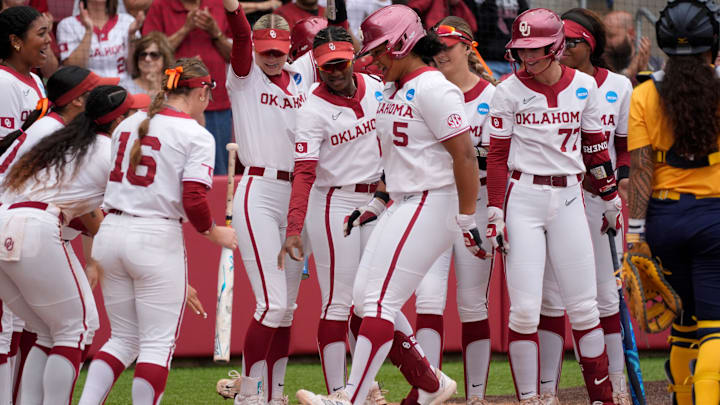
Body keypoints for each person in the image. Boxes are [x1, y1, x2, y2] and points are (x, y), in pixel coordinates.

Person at [295, 5, 486, 405]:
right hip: (403, 199)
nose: (374, 59)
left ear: (402, 43)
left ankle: (351, 397)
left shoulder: (434, 88)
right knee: (363, 300)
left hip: (433, 199)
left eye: (380, 50)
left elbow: (465, 156)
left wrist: (467, 217)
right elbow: (398, 158)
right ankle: (432, 386)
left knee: (379, 302)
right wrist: (379, 202)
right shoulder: (394, 88)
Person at [77, 58, 236, 405]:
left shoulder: (129, 122)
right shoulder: (196, 134)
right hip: (153, 235)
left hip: (111, 230)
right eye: (208, 90)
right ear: (200, 91)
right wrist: (213, 232)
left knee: (121, 338)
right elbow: (193, 199)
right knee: (155, 344)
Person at [485, 8, 623, 404]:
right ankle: (533, 399)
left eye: (538, 49)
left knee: (584, 309)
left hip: (568, 197)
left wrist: (610, 195)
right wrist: (495, 210)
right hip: (523, 197)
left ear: (558, 46)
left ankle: (604, 398)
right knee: (525, 312)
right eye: (523, 50)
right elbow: (496, 157)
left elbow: (597, 149)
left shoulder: (584, 86)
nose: (528, 58)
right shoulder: (507, 90)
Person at [267, 25, 389, 402]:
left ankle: (364, 385)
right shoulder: (312, 109)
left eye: (339, 64)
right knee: (338, 300)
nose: (334, 72)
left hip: (379, 200)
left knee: (375, 299)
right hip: (335, 201)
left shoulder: (378, 88)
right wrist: (293, 228)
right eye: (326, 67)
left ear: (352, 59)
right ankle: (340, 392)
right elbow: (303, 173)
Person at [0, 83, 135, 405]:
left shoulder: (70, 143)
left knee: (46, 331)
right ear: (117, 121)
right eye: (129, 115)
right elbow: (127, 212)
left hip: (6, 220)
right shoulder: (109, 150)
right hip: (36, 224)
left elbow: (91, 216)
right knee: (79, 326)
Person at [535, 8, 634, 405]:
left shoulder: (620, 87)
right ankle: (546, 392)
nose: (562, 49)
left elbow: (622, 148)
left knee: (607, 298)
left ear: (589, 45)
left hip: (601, 202)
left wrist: (619, 182)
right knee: (549, 300)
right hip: (555, 200)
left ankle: (617, 386)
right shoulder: (543, 84)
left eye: (570, 42)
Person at [215, 1, 311, 403]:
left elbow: (326, 43)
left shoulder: (303, 78)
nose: (271, 58)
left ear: (289, 48)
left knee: (286, 309)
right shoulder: (244, 76)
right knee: (271, 304)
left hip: (300, 193)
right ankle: (250, 395)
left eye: (278, 50)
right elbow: (238, 37)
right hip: (260, 189)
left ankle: (275, 395)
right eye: (264, 50)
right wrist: (236, 11)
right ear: (255, 48)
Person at [626, 0, 720, 403]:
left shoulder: (644, 93)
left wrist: (634, 233)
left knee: (683, 324)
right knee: (714, 327)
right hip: (714, 217)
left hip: (664, 219)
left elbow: (641, 168)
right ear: (710, 44)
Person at [409, 15, 495, 405]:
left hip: (476, 204)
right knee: (427, 300)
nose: (441, 53)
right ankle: (428, 391)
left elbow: (501, 159)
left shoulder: (494, 97)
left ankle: (475, 396)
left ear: (468, 47)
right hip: (434, 202)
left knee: (472, 303)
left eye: (449, 45)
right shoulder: (426, 90)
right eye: (436, 46)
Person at [143, 0, 234, 174]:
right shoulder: (160, 6)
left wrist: (215, 33)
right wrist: (185, 29)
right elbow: (150, 54)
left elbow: (235, 56)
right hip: (175, 102)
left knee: (218, 171)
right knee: (173, 171)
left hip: (215, 102)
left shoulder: (219, 4)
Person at [56, 0, 141, 81]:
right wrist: (89, 30)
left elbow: (134, 70)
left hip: (123, 88)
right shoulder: (68, 25)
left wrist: (131, 35)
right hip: (88, 92)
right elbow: (72, 70)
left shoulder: (128, 21)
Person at [0, 6, 50, 139]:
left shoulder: (35, 78)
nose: (49, 40)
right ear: (16, 41)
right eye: (41, 34)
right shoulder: (4, 82)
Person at [470, 0, 528, 77]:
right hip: (489, 60)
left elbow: (525, 27)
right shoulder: (482, 3)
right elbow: (481, 28)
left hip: (514, 60)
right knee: (491, 87)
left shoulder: (519, 2)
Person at [604, 11, 662, 84]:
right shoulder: (600, 62)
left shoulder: (656, 65)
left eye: (611, 36)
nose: (605, 41)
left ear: (631, 33)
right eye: (603, 35)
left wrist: (644, 74)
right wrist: (629, 72)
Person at [122, 32, 175, 99]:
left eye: (154, 55)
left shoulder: (174, 87)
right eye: (143, 54)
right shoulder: (125, 88)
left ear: (165, 58)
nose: (147, 59)